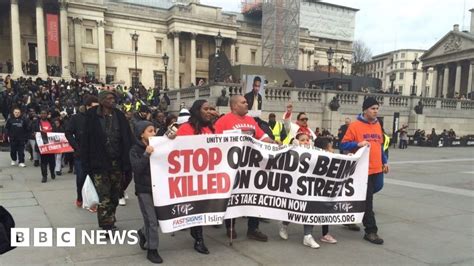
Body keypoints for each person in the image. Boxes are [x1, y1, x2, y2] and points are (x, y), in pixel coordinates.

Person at [214, 95, 274, 242]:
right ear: (234, 106)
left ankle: (253, 228)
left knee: (254, 197)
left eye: (246, 102)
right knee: (232, 197)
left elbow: (261, 137)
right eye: (243, 102)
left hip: (252, 167)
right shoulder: (223, 121)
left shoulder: (251, 120)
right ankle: (230, 226)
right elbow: (215, 143)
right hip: (233, 167)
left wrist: (272, 142)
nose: (247, 104)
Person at [81, 90, 133, 231]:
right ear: (102, 100)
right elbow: (85, 140)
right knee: (104, 195)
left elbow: (127, 137)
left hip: (117, 162)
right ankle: (106, 225)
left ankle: (110, 216)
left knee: (115, 194)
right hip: (99, 163)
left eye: (113, 98)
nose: (112, 100)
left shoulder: (120, 116)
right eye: (109, 98)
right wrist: (85, 162)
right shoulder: (91, 116)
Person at [341, 97, 389, 245]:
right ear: (365, 110)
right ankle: (371, 231)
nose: (375, 111)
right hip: (363, 170)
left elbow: (379, 146)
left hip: (377, 167)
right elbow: (343, 144)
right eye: (372, 109)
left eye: (377, 108)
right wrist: (358, 143)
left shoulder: (377, 125)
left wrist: (385, 161)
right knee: (368, 200)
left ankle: (349, 215)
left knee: (376, 188)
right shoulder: (355, 126)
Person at [279, 132, 337, 248]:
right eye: (302, 140)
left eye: (307, 140)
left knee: (310, 209)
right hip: (296, 186)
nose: (305, 142)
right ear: (296, 142)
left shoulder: (314, 152)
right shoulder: (291, 152)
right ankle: (284, 225)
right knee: (293, 208)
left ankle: (307, 236)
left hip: (310, 186)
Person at [175, 99, 216, 254]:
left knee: (200, 208)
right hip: (189, 177)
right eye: (206, 108)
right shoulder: (186, 128)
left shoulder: (212, 129)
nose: (209, 111)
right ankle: (199, 238)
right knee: (195, 208)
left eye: (211, 108)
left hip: (206, 176)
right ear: (197, 110)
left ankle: (197, 234)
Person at [130, 121, 163, 264]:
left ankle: (143, 233)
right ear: (141, 134)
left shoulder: (158, 146)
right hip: (144, 190)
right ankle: (152, 250)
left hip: (159, 187)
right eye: (150, 131)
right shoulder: (135, 150)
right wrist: (146, 154)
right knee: (151, 220)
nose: (154, 134)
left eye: (154, 131)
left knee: (158, 220)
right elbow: (137, 169)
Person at [65, 96, 99, 208]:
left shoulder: (99, 118)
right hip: (81, 154)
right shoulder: (76, 118)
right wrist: (76, 147)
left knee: (95, 178)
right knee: (81, 177)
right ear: (87, 106)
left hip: (95, 153)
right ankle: (80, 197)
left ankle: (93, 199)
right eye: (94, 107)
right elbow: (68, 133)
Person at [32, 109, 56, 183]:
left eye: (45, 113)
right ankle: (44, 176)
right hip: (42, 145)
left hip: (51, 145)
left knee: (52, 162)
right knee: (43, 162)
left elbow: (56, 130)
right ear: (40, 115)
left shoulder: (51, 122)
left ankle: (52, 172)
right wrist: (34, 134)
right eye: (42, 113)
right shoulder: (36, 123)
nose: (43, 115)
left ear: (47, 114)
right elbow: (32, 131)